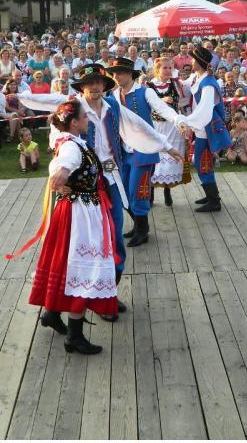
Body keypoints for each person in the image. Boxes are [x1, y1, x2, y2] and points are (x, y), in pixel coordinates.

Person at [16, 64, 181, 322]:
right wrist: (60, 170)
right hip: (82, 184)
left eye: (99, 82)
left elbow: (138, 124)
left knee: (114, 237)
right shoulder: (73, 108)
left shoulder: (112, 105)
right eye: (89, 83)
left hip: (110, 178)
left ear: (105, 85)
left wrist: (166, 145)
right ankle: (58, 306)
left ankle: (107, 295)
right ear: (82, 87)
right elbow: (59, 138)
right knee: (77, 242)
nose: (95, 86)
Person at [6, 100, 119, 355]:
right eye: (84, 117)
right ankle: (74, 337)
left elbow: (72, 160)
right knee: (84, 269)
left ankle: (52, 313)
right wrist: (60, 175)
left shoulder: (74, 141)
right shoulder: (71, 146)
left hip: (79, 210)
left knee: (66, 263)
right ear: (74, 122)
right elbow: (63, 163)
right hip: (79, 214)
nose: (88, 120)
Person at [106, 57, 184, 246]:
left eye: (120, 73)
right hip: (123, 152)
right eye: (114, 73)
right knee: (124, 191)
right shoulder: (112, 95)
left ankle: (143, 230)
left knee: (138, 192)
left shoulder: (145, 92)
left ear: (130, 74)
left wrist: (178, 120)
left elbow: (163, 109)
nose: (116, 76)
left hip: (144, 151)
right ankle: (138, 225)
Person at [179, 45, 232, 212]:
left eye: (193, 59)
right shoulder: (197, 77)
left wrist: (187, 122)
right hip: (201, 127)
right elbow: (184, 86)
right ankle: (211, 196)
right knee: (203, 162)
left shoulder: (208, 83)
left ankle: (214, 201)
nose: (191, 62)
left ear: (200, 62)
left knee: (203, 163)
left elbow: (205, 110)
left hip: (207, 129)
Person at [147, 57, 191, 207]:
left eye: (169, 68)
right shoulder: (149, 86)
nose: (167, 70)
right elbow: (147, 105)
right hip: (156, 126)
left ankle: (167, 191)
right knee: (155, 159)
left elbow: (183, 101)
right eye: (164, 68)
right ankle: (151, 194)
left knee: (170, 159)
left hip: (172, 127)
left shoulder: (176, 84)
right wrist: (161, 101)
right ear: (157, 69)